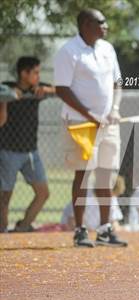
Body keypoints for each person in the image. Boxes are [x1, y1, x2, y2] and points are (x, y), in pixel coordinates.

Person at [54, 9, 127, 247]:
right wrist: (91, 115)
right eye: (101, 22)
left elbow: (117, 82)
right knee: (83, 175)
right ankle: (80, 230)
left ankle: (105, 230)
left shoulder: (107, 48)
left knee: (106, 175)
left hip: (108, 124)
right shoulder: (68, 51)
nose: (105, 26)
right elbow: (61, 89)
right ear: (86, 24)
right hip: (80, 124)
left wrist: (114, 109)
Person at [0, 57, 55, 233]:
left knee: (43, 193)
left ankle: (23, 226)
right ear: (24, 73)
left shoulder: (37, 90)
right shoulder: (6, 87)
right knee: (4, 196)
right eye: (36, 73)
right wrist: (8, 98)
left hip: (31, 151)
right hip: (8, 151)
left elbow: (61, 91)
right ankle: (2, 230)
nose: (39, 76)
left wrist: (45, 89)